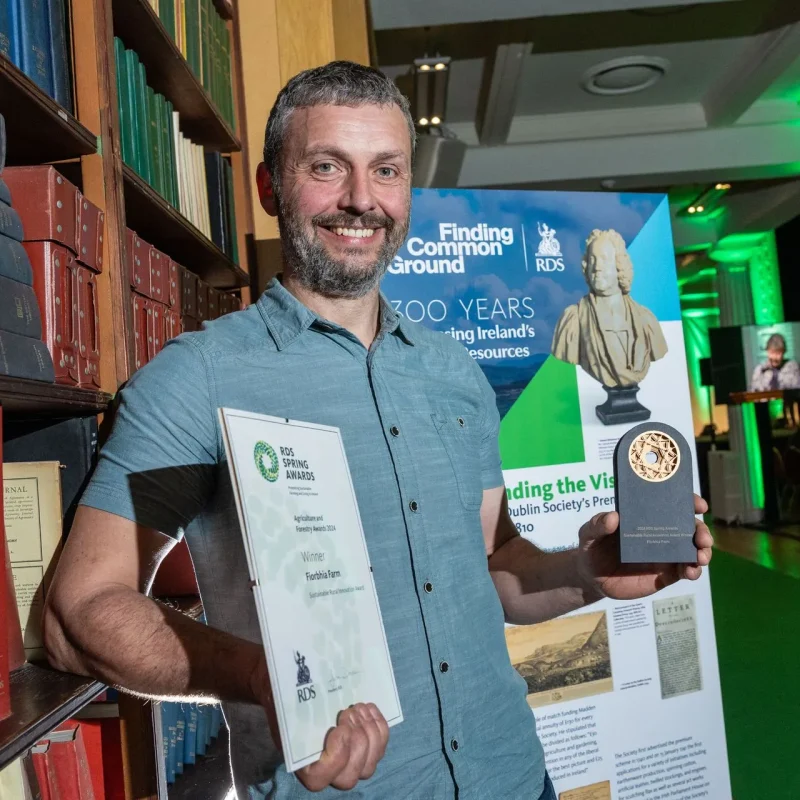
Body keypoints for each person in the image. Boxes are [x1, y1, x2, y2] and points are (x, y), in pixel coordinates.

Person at [42, 62, 713, 799]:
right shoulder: (195, 378)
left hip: (516, 778)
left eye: (386, 170)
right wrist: (258, 674)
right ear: (270, 188)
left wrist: (590, 571)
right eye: (327, 167)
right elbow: (79, 614)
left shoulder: (455, 370)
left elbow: (494, 572)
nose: (362, 200)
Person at [552, 228, 668, 388]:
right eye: (592, 260)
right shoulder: (573, 320)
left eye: (604, 260)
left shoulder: (646, 320)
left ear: (619, 266)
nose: (597, 267)